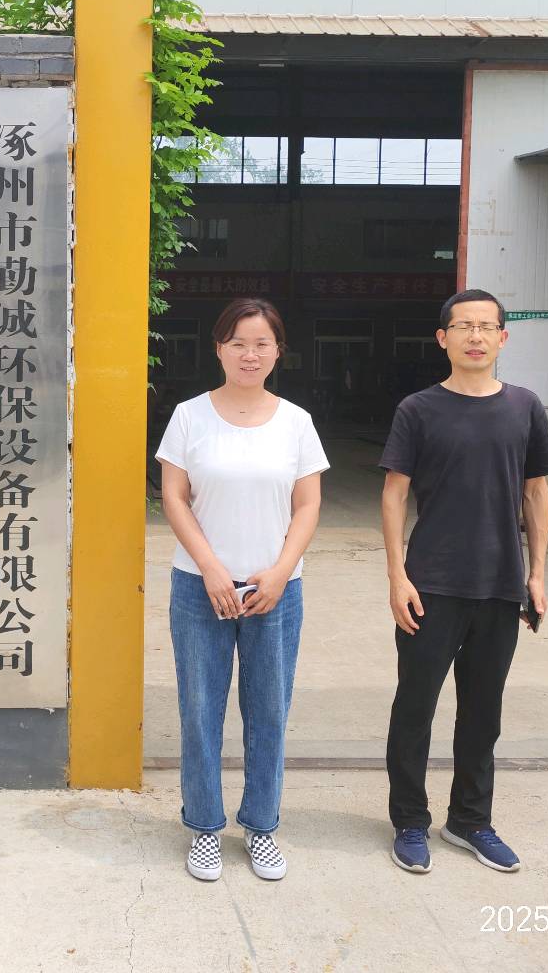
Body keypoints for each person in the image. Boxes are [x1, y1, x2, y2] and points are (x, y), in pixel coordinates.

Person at [379, 288, 548, 875]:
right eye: (463, 327)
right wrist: (397, 576)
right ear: (443, 338)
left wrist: (537, 573)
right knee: (416, 707)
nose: (475, 336)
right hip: (431, 582)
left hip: (501, 584)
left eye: (486, 327)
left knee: (483, 711)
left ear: (503, 337)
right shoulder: (419, 409)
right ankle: (409, 820)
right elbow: (394, 493)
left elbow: (536, 491)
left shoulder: (524, 407)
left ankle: (470, 820)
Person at [156, 298, 328, 883]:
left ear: (278, 352)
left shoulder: (296, 422)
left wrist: (280, 572)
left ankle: (261, 826)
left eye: (261, 344)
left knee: (268, 712)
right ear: (219, 349)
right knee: (200, 709)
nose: (249, 354)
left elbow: (308, 505)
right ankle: (205, 827)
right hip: (198, 587)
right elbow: (174, 496)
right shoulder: (189, 417)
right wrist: (209, 568)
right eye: (238, 343)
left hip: (275, 592)